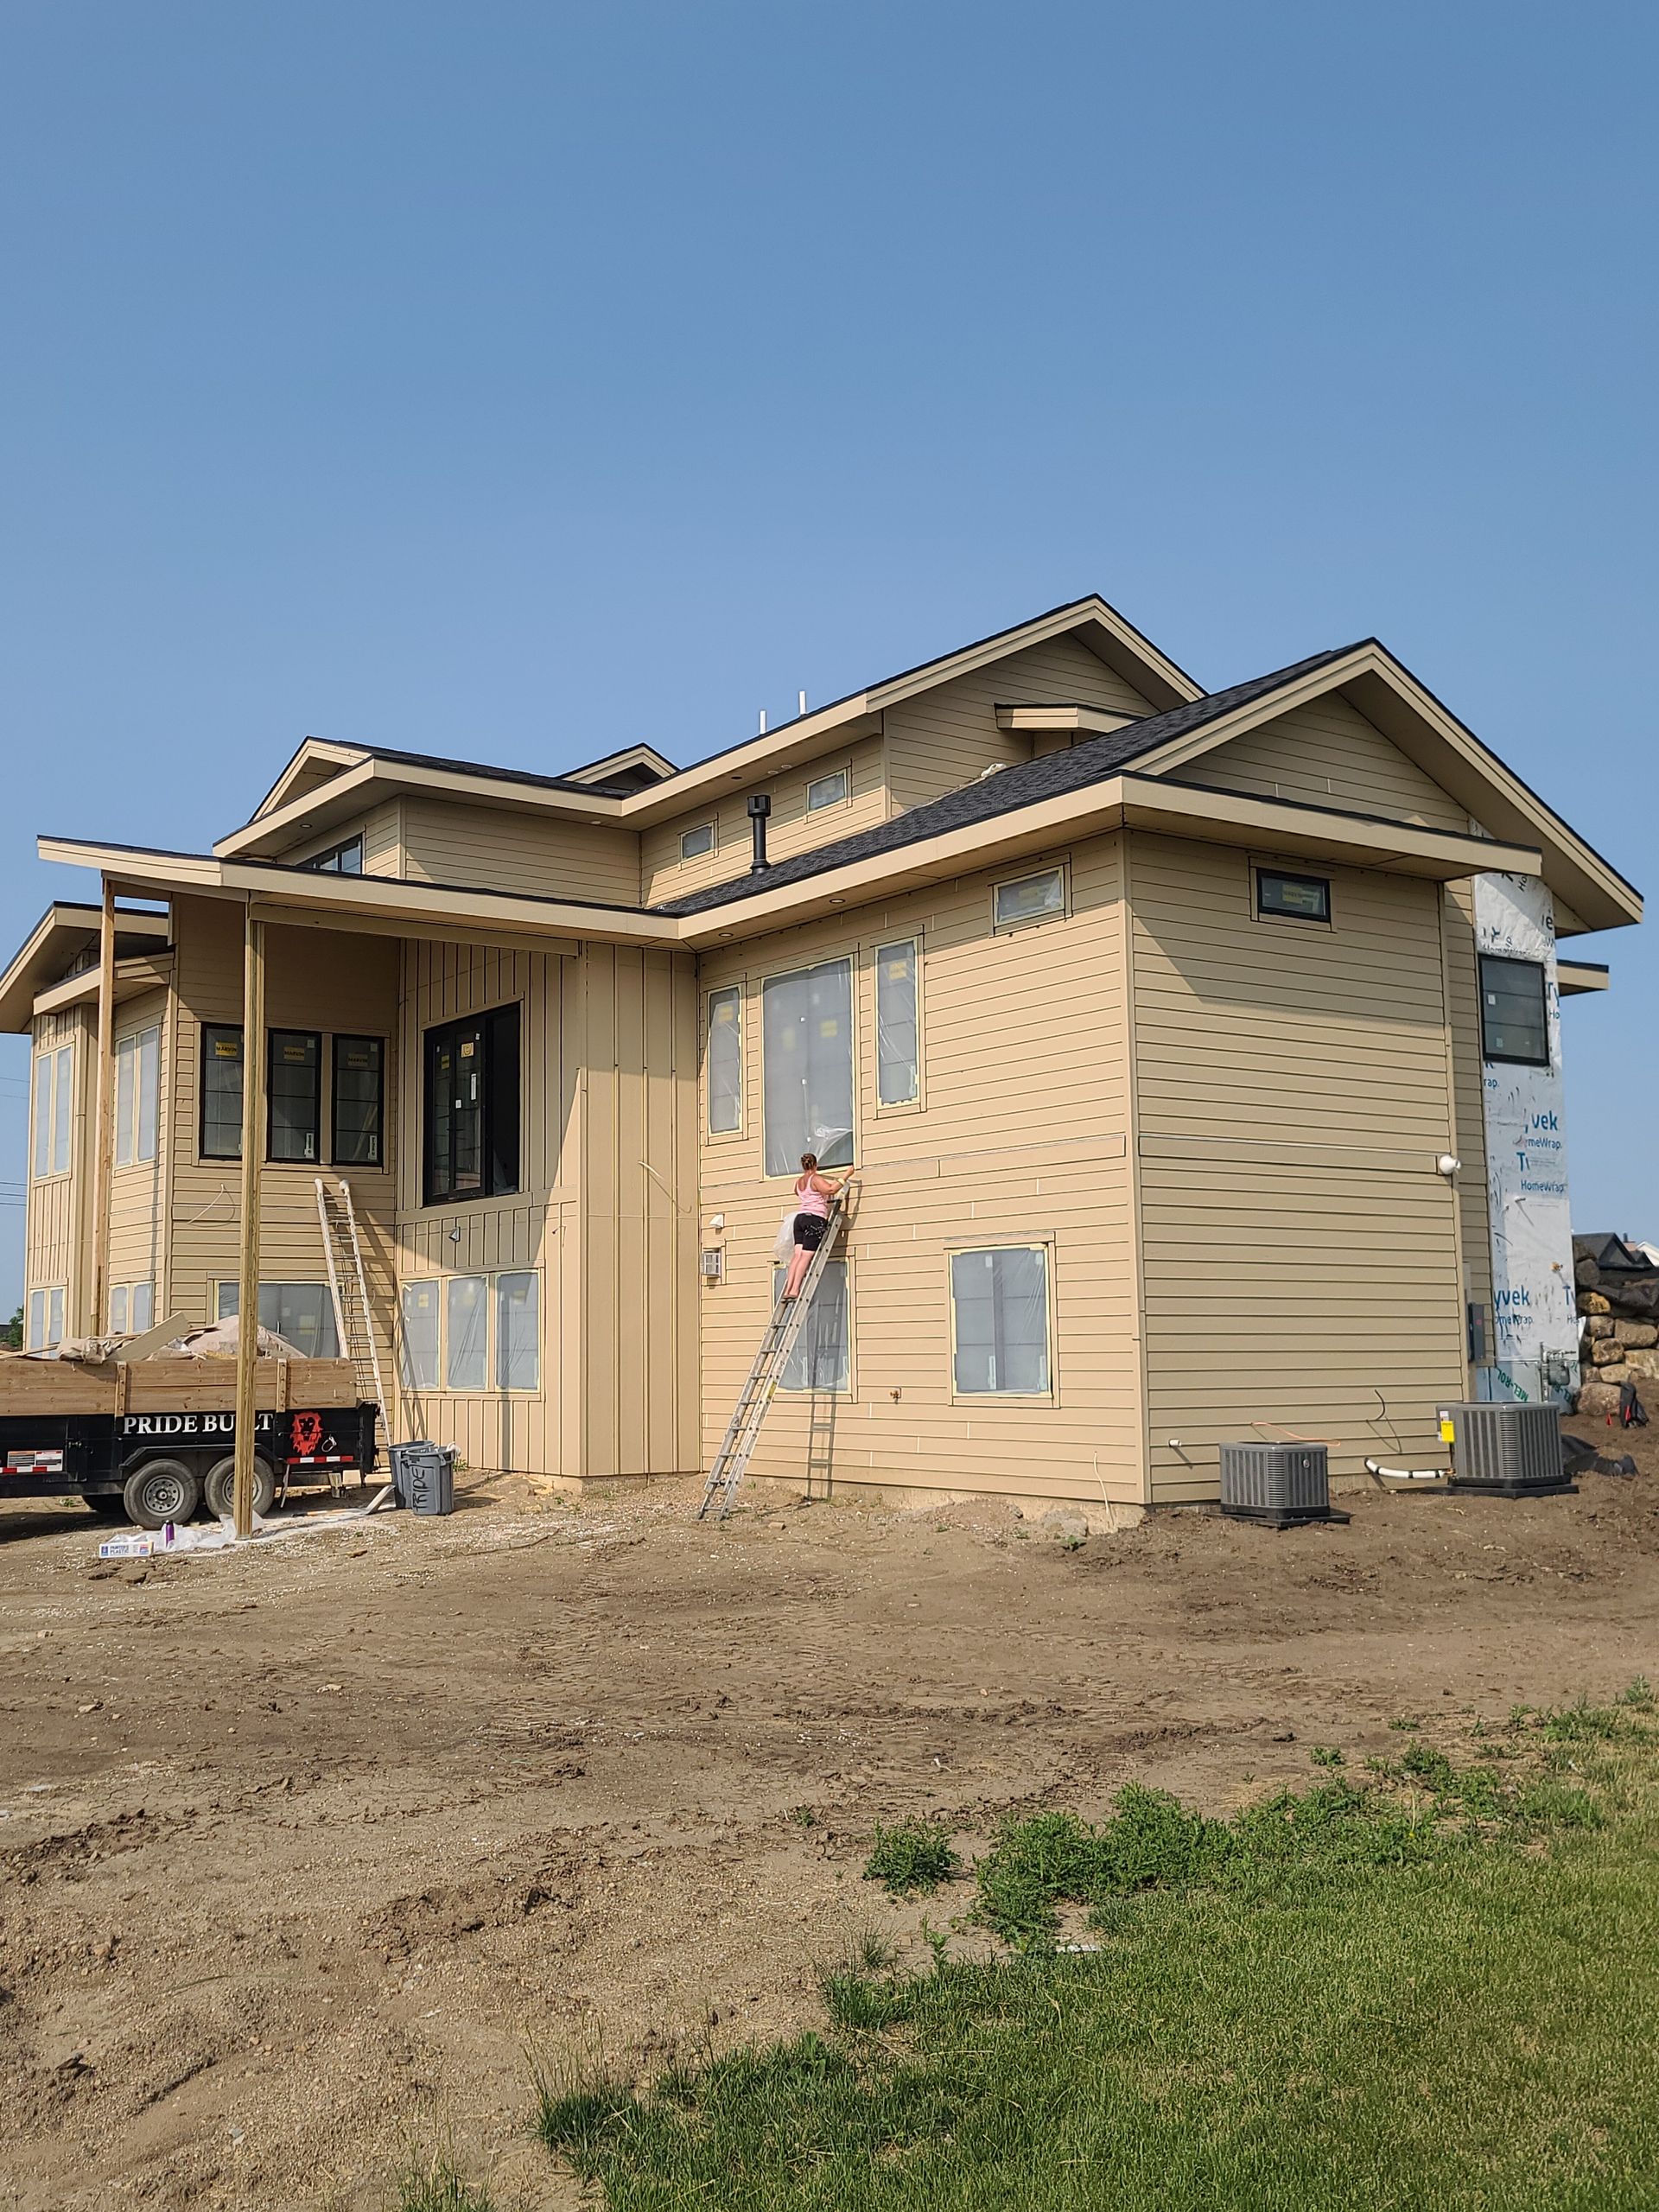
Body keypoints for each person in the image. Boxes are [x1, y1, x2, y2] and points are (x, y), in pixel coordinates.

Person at [782, 1153, 847, 1300]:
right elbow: (831, 1189)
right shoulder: (815, 1179)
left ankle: (788, 1289)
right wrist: (846, 1175)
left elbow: (797, 1192)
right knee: (806, 1256)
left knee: (797, 1255)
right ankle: (795, 1290)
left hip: (800, 1219)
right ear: (815, 1165)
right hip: (814, 1219)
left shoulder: (799, 1182)